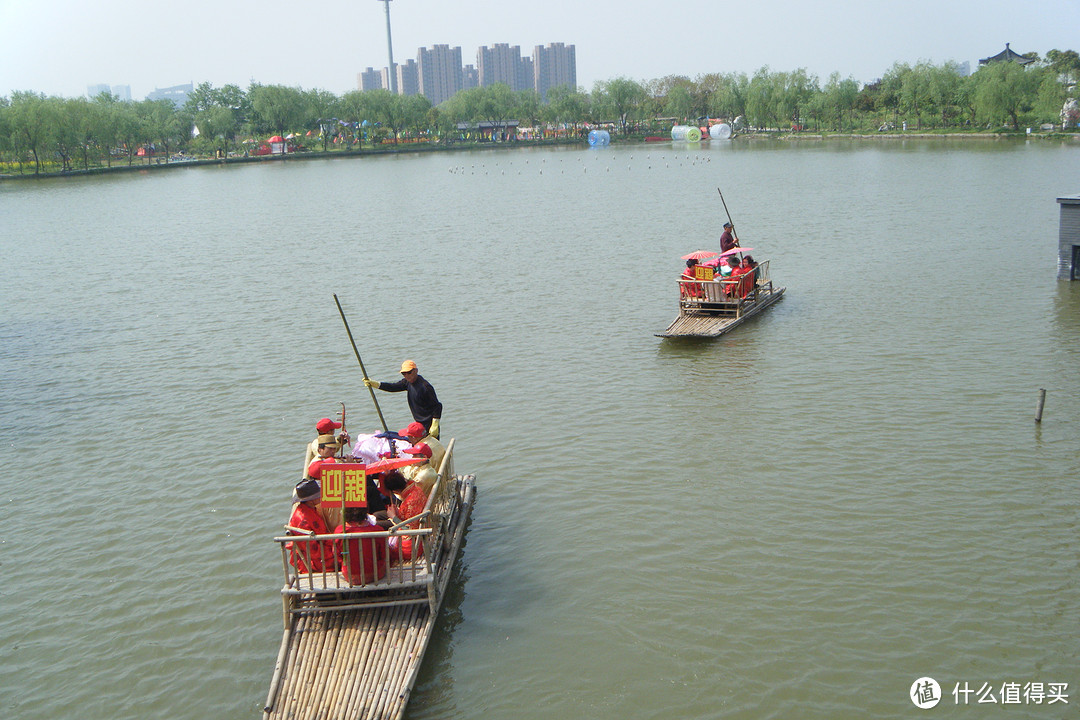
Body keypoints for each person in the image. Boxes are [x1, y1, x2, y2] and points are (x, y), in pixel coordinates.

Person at [364, 360, 443, 438]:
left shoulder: (425, 387)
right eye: (403, 373)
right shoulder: (407, 382)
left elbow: (437, 406)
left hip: (429, 424)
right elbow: (393, 387)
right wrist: (376, 384)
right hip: (418, 424)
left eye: (409, 372)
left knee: (431, 448)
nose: (407, 375)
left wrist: (435, 425)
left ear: (416, 371)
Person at [286, 478, 336, 574]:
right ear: (311, 500)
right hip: (315, 559)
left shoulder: (309, 509)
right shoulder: (302, 520)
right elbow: (313, 551)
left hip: (323, 547)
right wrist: (334, 551)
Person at [333, 506, 388, 584]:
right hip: (376, 574)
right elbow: (384, 554)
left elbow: (337, 556)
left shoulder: (340, 531)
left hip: (350, 576)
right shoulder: (378, 530)